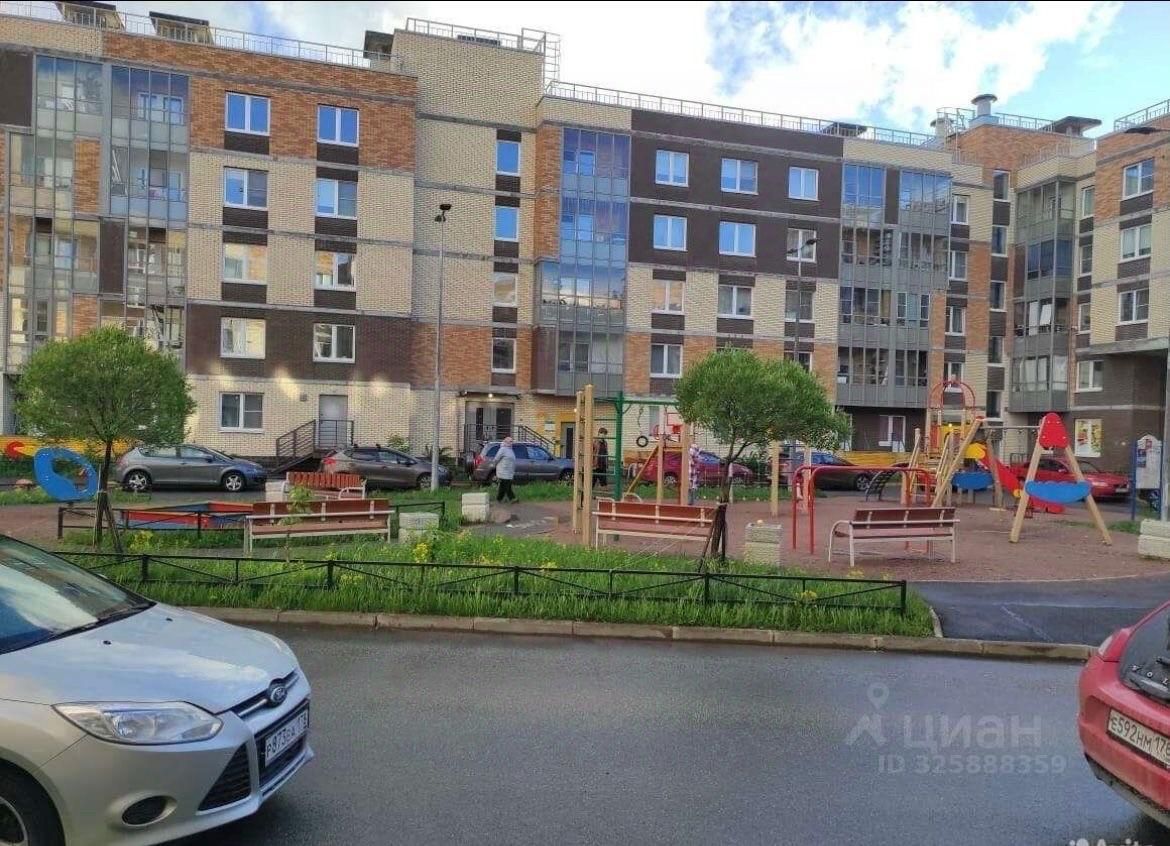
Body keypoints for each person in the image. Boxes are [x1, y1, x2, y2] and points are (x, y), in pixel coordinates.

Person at [493, 437, 518, 504]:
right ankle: (512, 498)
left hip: (509, 471)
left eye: (512, 441)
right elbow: (496, 458)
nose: (511, 443)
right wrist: (494, 465)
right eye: (510, 441)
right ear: (506, 442)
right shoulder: (502, 449)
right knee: (507, 485)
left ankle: (499, 499)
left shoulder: (510, 450)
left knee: (503, 486)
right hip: (503, 471)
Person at [687, 441, 701, 505]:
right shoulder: (692, 451)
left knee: (693, 485)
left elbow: (695, 459)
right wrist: (693, 461)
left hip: (694, 471)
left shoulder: (695, 452)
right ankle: (690, 500)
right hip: (691, 471)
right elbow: (690, 456)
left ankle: (692, 500)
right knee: (691, 484)